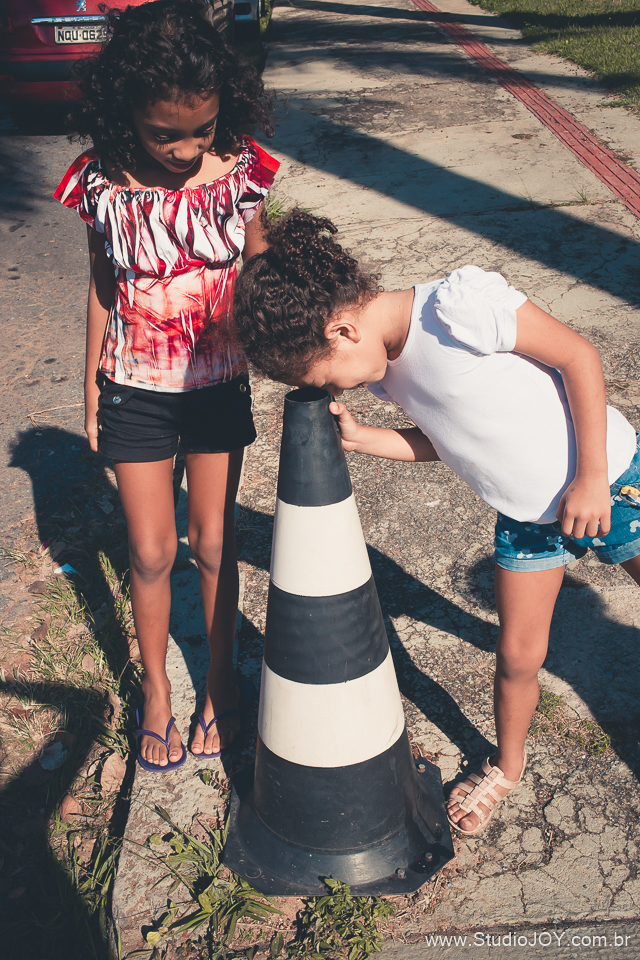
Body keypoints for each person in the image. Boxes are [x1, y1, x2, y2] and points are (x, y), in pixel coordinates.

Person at [233, 210, 640, 835]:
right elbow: (448, 440)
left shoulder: (458, 308)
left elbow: (578, 357)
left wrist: (591, 478)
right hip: (527, 517)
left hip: (610, 477)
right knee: (517, 654)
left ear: (343, 331)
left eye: (328, 378)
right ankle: (507, 765)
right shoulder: (384, 370)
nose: (339, 389)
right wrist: (365, 438)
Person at [54, 0, 279, 771]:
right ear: (125, 113)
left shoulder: (240, 174)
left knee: (214, 543)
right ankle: (156, 692)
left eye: (202, 130)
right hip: (133, 389)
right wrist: (91, 389)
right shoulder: (101, 184)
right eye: (164, 135)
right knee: (150, 551)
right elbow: (100, 286)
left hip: (217, 386)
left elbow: (260, 268)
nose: (185, 150)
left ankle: (219, 681)